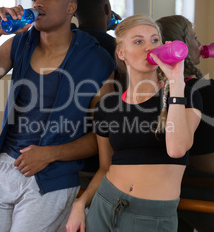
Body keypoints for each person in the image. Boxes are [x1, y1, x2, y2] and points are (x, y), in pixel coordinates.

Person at [0, 0, 115, 232]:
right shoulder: (20, 44)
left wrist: (51, 153)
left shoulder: (96, 59)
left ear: (71, 7)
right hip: (3, 168)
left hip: (53, 177)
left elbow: (103, 136)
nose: (38, 3)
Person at [66, 14, 203, 232]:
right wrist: (80, 204)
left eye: (155, 40)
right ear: (121, 53)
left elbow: (177, 149)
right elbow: (104, 168)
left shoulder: (186, 93)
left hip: (152, 217)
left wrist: (175, 82)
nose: (149, 47)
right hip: (105, 204)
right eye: (139, 41)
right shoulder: (107, 106)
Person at [156, 15, 214, 232]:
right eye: (195, 38)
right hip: (210, 191)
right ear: (181, 47)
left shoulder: (153, 91)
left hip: (168, 190)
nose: (200, 44)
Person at [74, 0, 123, 189]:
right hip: (103, 153)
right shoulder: (115, 48)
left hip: (66, 149)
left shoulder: (64, 42)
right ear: (107, 9)